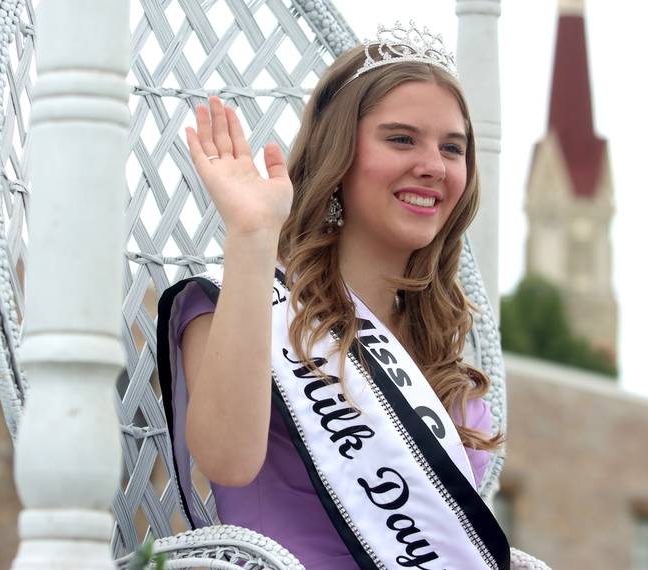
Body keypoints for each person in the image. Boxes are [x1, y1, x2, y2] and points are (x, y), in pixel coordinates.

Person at [156, 21, 510, 569]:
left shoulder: (442, 354)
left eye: (453, 148)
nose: (433, 166)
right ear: (340, 153)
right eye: (401, 138)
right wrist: (252, 238)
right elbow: (227, 461)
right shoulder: (241, 310)